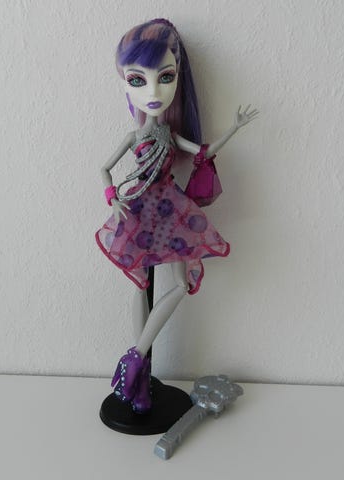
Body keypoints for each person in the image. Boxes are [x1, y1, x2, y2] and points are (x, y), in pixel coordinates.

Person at [95, 18, 257, 413]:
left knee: (180, 285)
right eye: (137, 80)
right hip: (138, 208)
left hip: (170, 211)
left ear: (177, 80)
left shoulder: (169, 135)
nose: (152, 91)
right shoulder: (134, 136)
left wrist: (234, 128)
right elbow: (104, 168)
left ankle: (135, 356)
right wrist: (112, 198)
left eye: (165, 77)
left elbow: (203, 151)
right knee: (140, 284)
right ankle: (139, 377)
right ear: (125, 83)